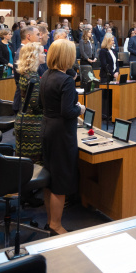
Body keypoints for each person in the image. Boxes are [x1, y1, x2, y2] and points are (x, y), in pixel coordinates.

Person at [40, 39, 84, 235]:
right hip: (62, 133)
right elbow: (67, 111)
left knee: (50, 177)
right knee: (61, 180)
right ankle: (56, 225)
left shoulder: (45, 75)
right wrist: (80, 108)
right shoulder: (65, 80)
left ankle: (51, 221)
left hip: (47, 128)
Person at [14, 42, 45, 162]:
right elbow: (35, 105)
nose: (44, 55)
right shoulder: (33, 77)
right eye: (42, 53)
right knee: (33, 165)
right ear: (34, 56)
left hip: (24, 121)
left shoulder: (26, 74)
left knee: (23, 165)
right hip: (32, 126)